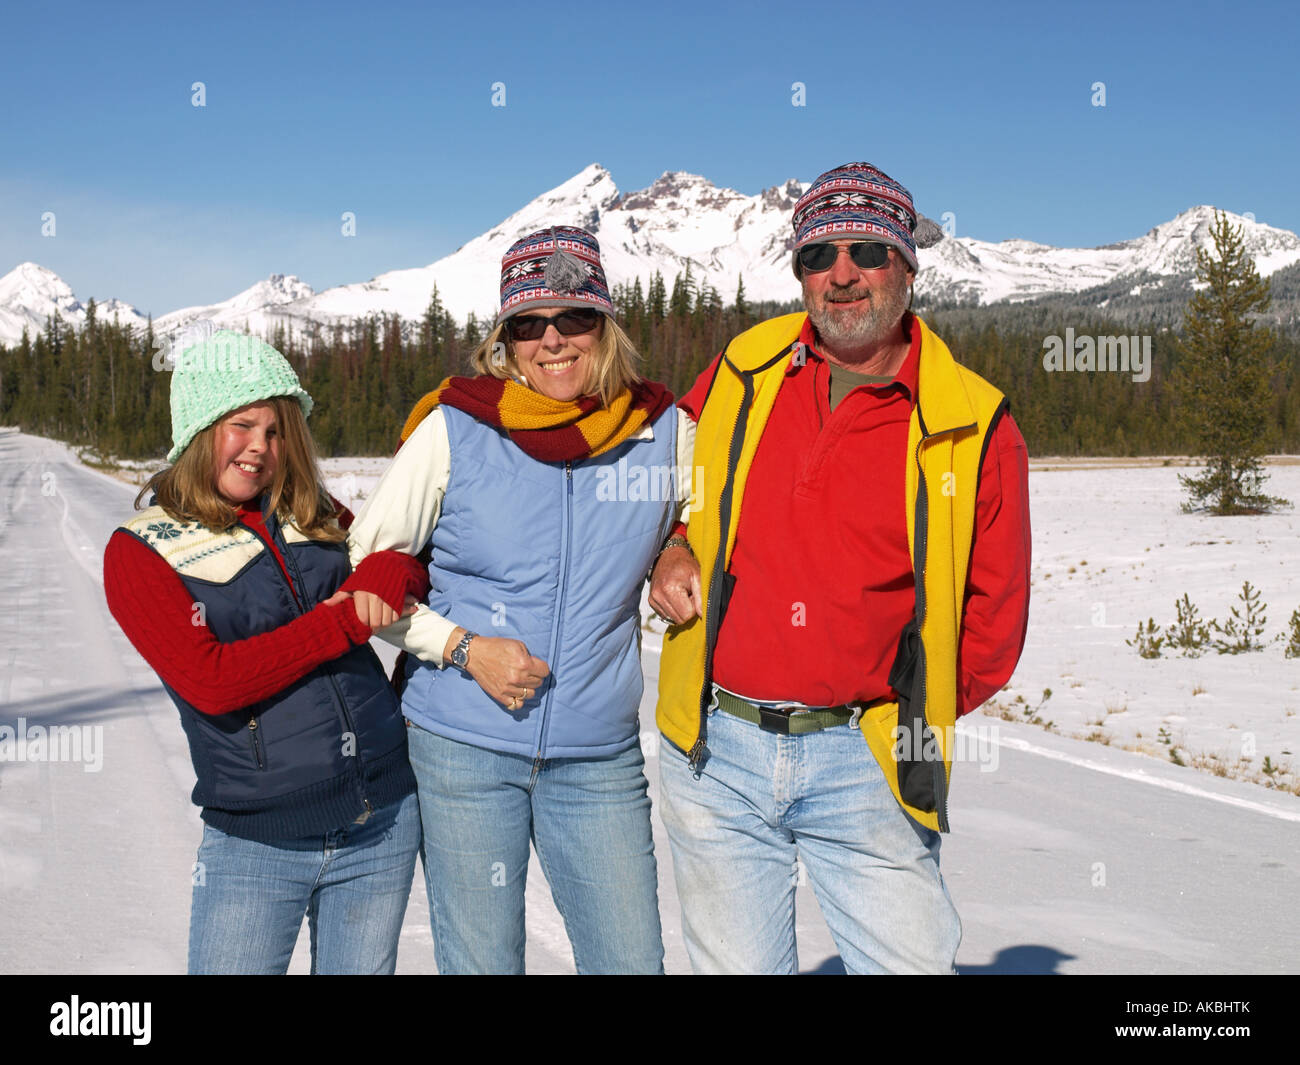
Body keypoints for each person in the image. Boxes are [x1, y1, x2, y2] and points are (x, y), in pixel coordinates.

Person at [649, 161, 1031, 974]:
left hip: (869, 761)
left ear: (908, 263)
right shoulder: (746, 368)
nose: (843, 273)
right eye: (819, 256)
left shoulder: (974, 420)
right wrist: (670, 544)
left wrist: (900, 712)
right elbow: (664, 482)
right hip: (716, 752)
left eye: (867, 249)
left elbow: (992, 625)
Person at [347, 226, 693, 974]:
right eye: (528, 325)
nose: (553, 340)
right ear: (505, 341)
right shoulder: (457, 429)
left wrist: (678, 543)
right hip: (460, 751)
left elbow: (711, 514)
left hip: (596, 757)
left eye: (574, 317)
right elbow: (365, 573)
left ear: (605, 324)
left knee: (631, 961)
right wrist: (463, 648)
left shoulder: (662, 432)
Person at [103, 330, 427, 974]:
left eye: (277, 431)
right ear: (198, 431)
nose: (261, 447)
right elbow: (212, 682)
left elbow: (389, 565)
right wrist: (338, 624)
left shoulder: (309, 509)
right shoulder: (140, 549)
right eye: (242, 424)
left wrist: (394, 572)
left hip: (382, 816)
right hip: (258, 840)